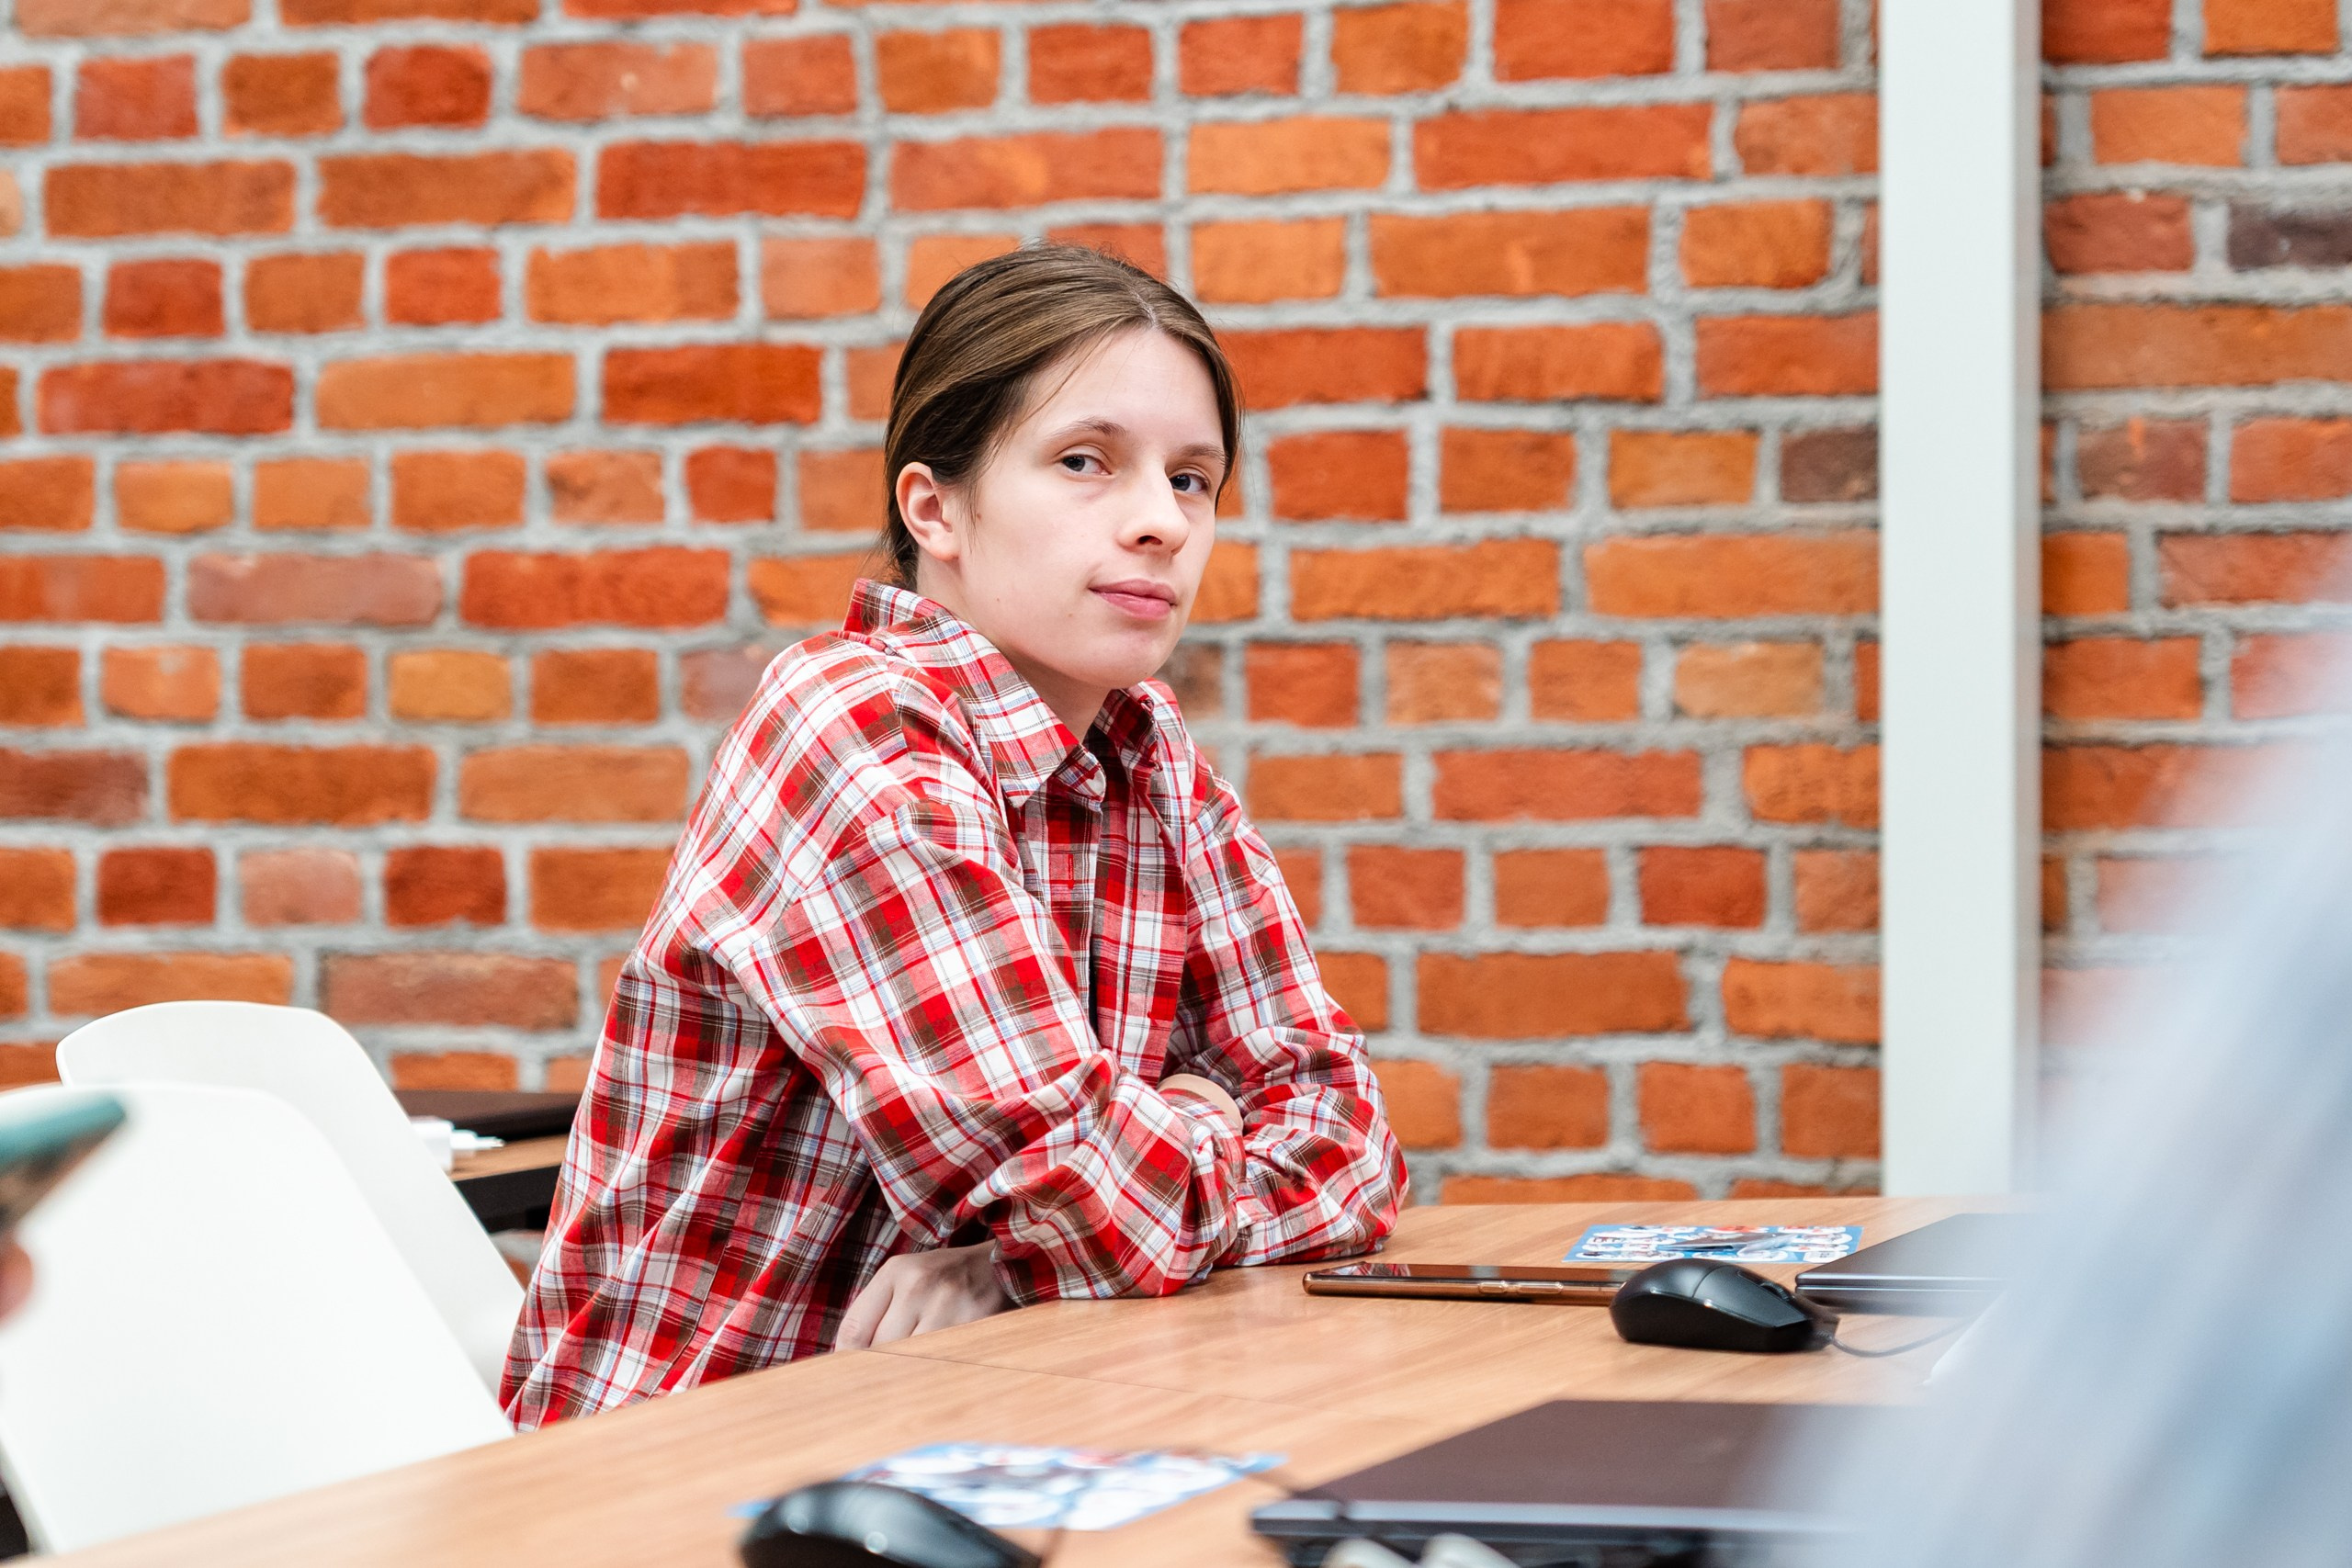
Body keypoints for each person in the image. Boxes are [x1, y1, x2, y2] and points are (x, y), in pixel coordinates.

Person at [503, 245, 1405, 1428]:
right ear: (935, 509)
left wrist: (1011, 1263)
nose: (1159, 524)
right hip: (679, 1462)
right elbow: (1086, 1189)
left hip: (985, 1427)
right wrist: (1192, 1118)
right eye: (1086, 462)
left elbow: (1350, 1137)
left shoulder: (1148, 754)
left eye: (1193, 480)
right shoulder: (853, 727)